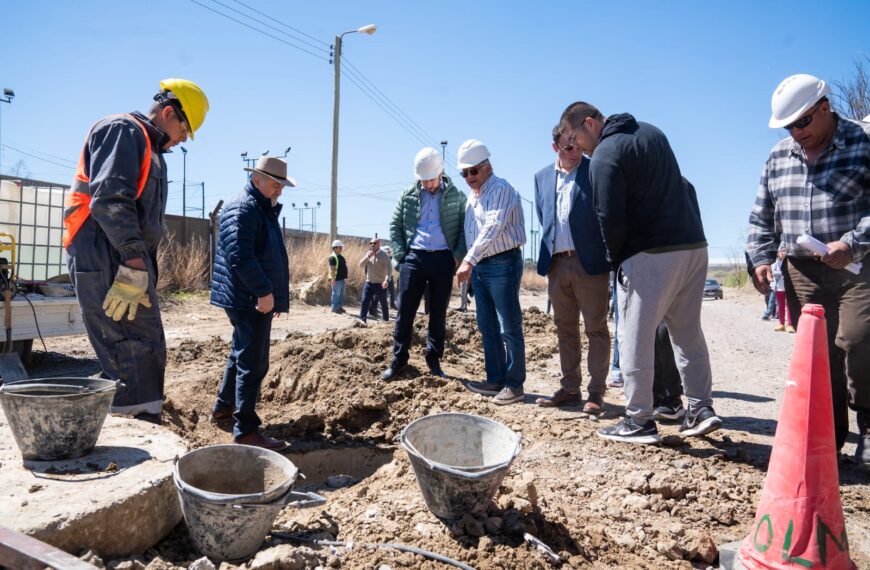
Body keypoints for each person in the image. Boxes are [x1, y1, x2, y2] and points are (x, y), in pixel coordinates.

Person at [561, 101, 722, 444]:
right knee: (687, 333)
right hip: (693, 247)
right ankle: (699, 408)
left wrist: (616, 262)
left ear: (589, 123)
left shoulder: (604, 154)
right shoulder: (651, 132)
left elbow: (608, 216)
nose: (576, 147)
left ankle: (638, 418)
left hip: (650, 253)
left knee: (633, 334)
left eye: (575, 138)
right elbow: (682, 184)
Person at [63, 78, 209, 424]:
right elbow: (111, 200)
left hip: (120, 257)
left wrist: (139, 263)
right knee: (129, 347)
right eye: (185, 129)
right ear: (169, 112)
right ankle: (134, 429)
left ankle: (137, 422)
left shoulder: (151, 148)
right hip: (103, 254)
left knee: (143, 344)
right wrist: (131, 261)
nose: (184, 138)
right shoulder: (123, 131)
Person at [746, 73, 869, 469]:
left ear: (825, 108)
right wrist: (761, 258)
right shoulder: (779, 156)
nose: (796, 132)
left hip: (857, 266)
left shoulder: (862, 144)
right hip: (802, 271)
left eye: (803, 122)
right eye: (788, 126)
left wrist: (853, 241)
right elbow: (762, 216)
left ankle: (868, 428)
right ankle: (827, 441)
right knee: (820, 356)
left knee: (857, 340)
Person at [210, 156, 293, 450]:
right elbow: (240, 257)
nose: (279, 190)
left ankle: (224, 405)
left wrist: (272, 294)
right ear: (256, 179)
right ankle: (245, 431)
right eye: (275, 184)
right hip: (247, 297)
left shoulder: (259, 207)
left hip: (248, 295)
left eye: (282, 185)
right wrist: (264, 292)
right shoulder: (245, 207)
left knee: (241, 351)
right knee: (253, 362)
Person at [532, 123, 611, 413]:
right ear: (555, 147)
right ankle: (569, 388)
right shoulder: (541, 178)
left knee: (596, 328)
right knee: (565, 329)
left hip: (590, 264)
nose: (575, 150)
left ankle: (596, 393)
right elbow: (545, 218)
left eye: (578, 144)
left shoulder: (594, 170)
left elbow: (605, 214)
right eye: (568, 146)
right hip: (556, 263)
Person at [383, 147, 467, 380]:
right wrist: (401, 255)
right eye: (423, 180)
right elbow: (395, 225)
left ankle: (434, 360)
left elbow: (463, 229)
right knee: (405, 312)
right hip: (414, 258)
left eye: (431, 179)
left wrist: (456, 258)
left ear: (441, 172)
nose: (428, 184)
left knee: (438, 313)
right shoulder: (407, 195)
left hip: (442, 260)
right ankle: (398, 360)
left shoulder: (456, 197)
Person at [456, 140, 527, 405]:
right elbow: (471, 233)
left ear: (488, 167)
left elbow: (492, 227)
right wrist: (470, 262)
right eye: (464, 173)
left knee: (509, 326)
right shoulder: (472, 199)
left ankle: (514, 384)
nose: (469, 178)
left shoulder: (500, 189)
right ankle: (495, 378)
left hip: (502, 263)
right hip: (481, 267)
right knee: (487, 326)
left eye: (473, 171)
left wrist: (468, 260)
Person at [358, 237, 390, 323]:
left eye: (374, 243)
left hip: (380, 284)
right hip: (369, 283)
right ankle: (362, 320)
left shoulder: (384, 255)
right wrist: (368, 257)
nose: (372, 245)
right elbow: (361, 265)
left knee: (383, 303)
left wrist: (386, 280)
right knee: (365, 301)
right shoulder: (368, 254)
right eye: (371, 243)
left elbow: (389, 270)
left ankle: (386, 320)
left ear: (379, 244)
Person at [771, 252, 794, 333]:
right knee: (780, 306)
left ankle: (790, 325)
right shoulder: (774, 264)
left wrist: (780, 273)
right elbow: (773, 273)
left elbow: (792, 273)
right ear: (777, 253)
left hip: (789, 286)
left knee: (789, 306)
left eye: (784, 251)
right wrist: (784, 273)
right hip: (779, 287)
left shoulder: (790, 262)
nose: (782, 253)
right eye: (780, 251)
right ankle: (781, 324)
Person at [328, 240, 347, 314]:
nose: (341, 248)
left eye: (341, 247)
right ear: (335, 248)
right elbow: (332, 269)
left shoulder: (340, 256)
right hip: (336, 279)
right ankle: (334, 308)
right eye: (340, 247)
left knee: (341, 294)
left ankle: (339, 307)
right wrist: (333, 279)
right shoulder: (332, 257)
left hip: (342, 279)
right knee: (336, 293)